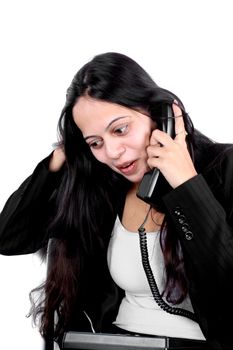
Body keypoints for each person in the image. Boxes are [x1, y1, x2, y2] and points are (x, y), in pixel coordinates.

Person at [0, 52, 233, 350]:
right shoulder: (101, 190)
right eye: (95, 142)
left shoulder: (224, 170)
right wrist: (54, 165)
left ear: (163, 115)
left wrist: (186, 184)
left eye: (120, 129)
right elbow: (8, 237)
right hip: (112, 341)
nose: (111, 152)